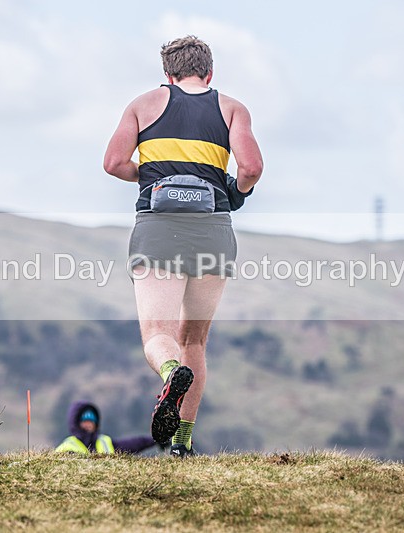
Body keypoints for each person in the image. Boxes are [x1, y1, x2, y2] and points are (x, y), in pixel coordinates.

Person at [103, 36, 263, 457]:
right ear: (209, 73)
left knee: (158, 332)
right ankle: (182, 443)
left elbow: (113, 162)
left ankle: (171, 373)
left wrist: (152, 177)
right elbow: (250, 168)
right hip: (213, 230)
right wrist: (235, 192)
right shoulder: (231, 108)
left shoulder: (143, 104)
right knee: (194, 339)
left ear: (167, 75)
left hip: (158, 229)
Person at [55, 401, 160, 454]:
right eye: (85, 421)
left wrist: (157, 439)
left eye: (92, 421)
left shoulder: (104, 441)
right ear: (76, 423)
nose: (89, 424)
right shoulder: (66, 447)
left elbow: (134, 444)